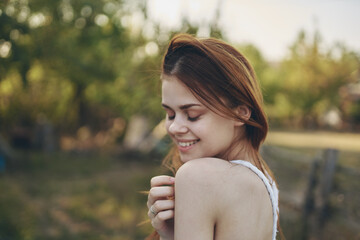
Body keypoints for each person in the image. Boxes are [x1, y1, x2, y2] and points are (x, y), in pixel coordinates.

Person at [146, 33, 281, 240]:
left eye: (192, 115)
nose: (173, 127)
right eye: (170, 114)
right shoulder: (265, 185)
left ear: (240, 113)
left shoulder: (198, 177)